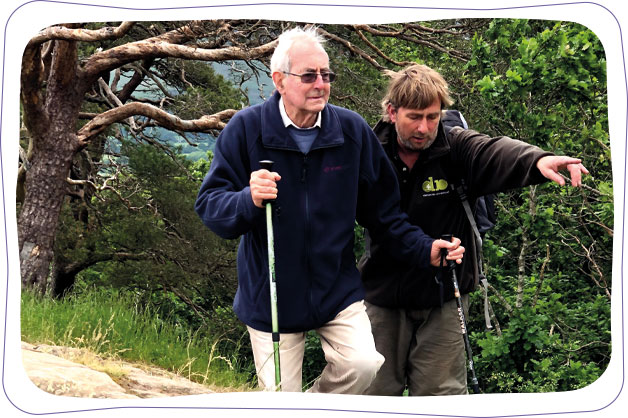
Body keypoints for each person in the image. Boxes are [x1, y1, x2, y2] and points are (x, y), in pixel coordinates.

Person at [194, 29, 464, 393]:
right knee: (279, 401)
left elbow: (384, 215)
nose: (320, 84)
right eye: (309, 75)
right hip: (271, 294)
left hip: (336, 290)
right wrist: (248, 199)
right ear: (279, 80)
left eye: (326, 75)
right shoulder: (247, 129)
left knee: (365, 365)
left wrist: (425, 248)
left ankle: (317, 403)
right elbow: (210, 205)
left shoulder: (350, 131)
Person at [359, 64, 589, 396]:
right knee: (374, 395)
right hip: (382, 298)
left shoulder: (455, 147)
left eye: (433, 116)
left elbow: (494, 151)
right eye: (415, 117)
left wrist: (538, 161)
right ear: (392, 112)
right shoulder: (369, 152)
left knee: (442, 398)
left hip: (445, 297)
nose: (425, 127)